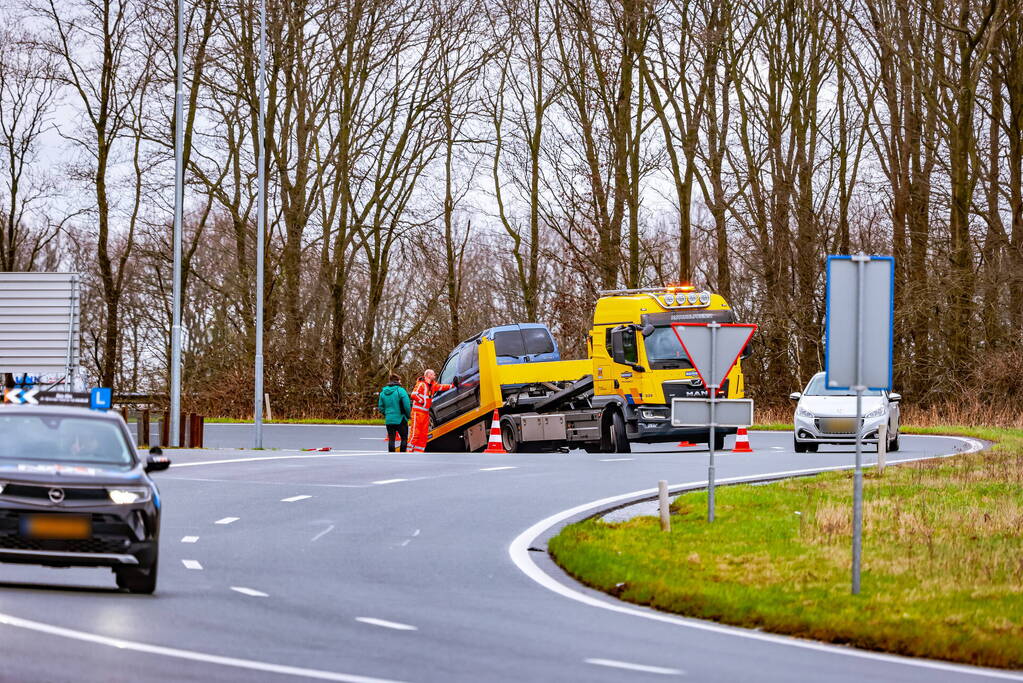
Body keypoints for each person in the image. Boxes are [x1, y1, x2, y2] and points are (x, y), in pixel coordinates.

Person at [407, 369, 453, 453]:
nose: (435, 376)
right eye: (433, 374)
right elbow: (413, 395)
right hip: (418, 413)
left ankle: (418, 452)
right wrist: (422, 402)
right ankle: (409, 452)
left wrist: (452, 386)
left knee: (423, 435)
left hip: (425, 413)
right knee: (415, 434)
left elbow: (441, 387)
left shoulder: (432, 385)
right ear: (428, 375)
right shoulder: (421, 384)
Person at [377, 373, 411, 453]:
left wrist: (387, 414)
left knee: (391, 439)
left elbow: (380, 407)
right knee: (404, 438)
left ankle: (391, 456)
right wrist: (408, 415)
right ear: (398, 381)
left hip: (389, 419)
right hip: (400, 419)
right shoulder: (400, 391)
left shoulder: (383, 393)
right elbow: (407, 405)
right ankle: (402, 455)